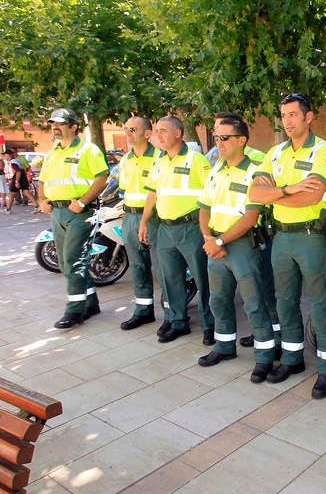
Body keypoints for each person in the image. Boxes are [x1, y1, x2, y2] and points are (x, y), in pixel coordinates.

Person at [249, 93, 326, 399]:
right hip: (281, 237)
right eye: (283, 115)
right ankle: (292, 358)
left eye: (293, 115)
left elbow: (312, 197)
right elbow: (254, 195)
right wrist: (288, 188)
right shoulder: (274, 153)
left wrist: (274, 192)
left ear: (308, 117)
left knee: (319, 302)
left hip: (311, 237)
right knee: (285, 300)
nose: (287, 121)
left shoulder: (324, 151)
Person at [196, 116, 279, 382]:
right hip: (215, 245)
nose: (218, 143)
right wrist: (209, 237)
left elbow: (251, 216)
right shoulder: (215, 169)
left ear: (241, 140)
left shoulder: (256, 172)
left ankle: (264, 357)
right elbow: (204, 207)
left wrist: (219, 242)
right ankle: (224, 346)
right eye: (216, 138)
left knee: (254, 304)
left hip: (242, 245)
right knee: (217, 301)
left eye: (224, 138)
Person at [139, 116, 214, 344]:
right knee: (170, 279)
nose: (158, 135)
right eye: (156, 131)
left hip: (191, 228)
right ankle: (178, 321)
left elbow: (211, 193)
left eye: (163, 130)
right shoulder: (160, 161)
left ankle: (211, 324)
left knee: (204, 279)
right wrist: (144, 221)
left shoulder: (197, 160)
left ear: (179, 133)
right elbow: (152, 193)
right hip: (165, 229)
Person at [37, 108, 109, 329]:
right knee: (64, 261)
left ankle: (74, 310)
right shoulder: (52, 153)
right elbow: (42, 182)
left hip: (80, 212)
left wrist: (82, 202)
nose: (55, 128)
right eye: (52, 124)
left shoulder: (88, 150)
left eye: (59, 124)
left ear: (73, 125)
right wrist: (41, 201)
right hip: (57, 212)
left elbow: (103, 177)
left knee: (72, 260)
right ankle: (90, 302)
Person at [117, 116, 167, 331]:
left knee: (164, 267)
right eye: (126, 129)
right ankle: (143, 310)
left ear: (147, 133)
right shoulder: (125, 159)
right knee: (137, 266)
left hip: (155, 219)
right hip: (130, 216)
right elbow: (124, 189)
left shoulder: (160, 157)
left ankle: (171, 314)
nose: (128, 133)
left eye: (133, 129)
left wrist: (147, 219)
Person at [3, 149, 37, 213]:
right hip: (23, 177)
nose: (4, 157)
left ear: (8, 155)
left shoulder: (13, 162)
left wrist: (17, 181)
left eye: (5, 155)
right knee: (26, 192)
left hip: (18, 178)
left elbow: (18, 171)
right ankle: (36, 206)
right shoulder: (17, 161)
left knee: (11, 194)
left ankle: (8, 209)